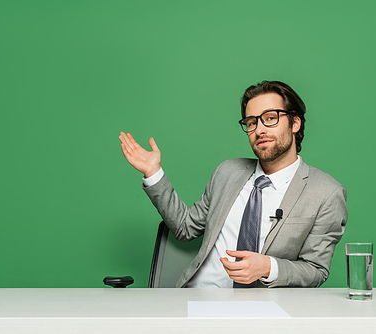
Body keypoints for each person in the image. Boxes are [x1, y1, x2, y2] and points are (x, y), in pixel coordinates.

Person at [119, 80, 347, 288]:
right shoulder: (227, 172)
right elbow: (185, 228)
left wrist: (269, 267)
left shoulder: (326, 193)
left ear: (295, 123)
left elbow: (315, 270)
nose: (259, 130)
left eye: (270, 118)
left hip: (262, 311)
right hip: (195, 299)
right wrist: (153, 173)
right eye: (251, 122)